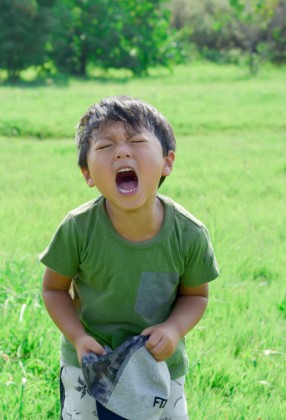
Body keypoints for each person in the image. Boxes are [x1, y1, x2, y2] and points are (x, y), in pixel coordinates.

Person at [40, 96, 220, 419]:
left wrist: (174, 329)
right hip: (89, 364)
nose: (122, 151)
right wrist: (79, 339)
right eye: (106, 146)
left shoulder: (188, 234)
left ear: (167, 161)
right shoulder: (78, 229)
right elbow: (54, 290)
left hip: (157, 365)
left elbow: (197, 295)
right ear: (87, 173)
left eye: (137, 141)